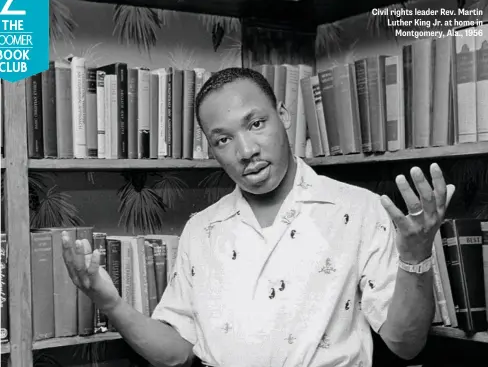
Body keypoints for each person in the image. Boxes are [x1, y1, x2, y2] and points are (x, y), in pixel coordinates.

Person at [62, 67, 455, 367]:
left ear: (282, 114)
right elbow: (177, 353)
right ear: (212, 149)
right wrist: (110, 303)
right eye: (223, 139)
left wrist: (415, 257)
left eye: (256, 123)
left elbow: (405, 343)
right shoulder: (202, 230)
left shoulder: (360, 209)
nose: (246, 150)